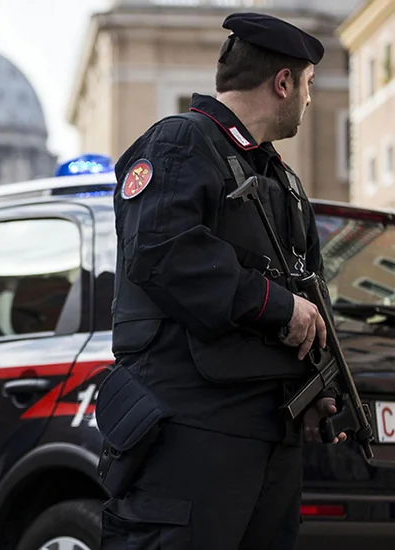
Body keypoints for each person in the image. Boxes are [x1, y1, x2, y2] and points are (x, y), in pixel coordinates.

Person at [97, 12, 347, 550]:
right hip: (194, 432)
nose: (310, 99)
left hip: (270, 435)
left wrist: (317, 387)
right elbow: (162, 252)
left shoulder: (282, 178)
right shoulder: (180, 142)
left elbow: (308, 290)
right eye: (308, 84)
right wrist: (278, 306)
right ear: (283, 83)